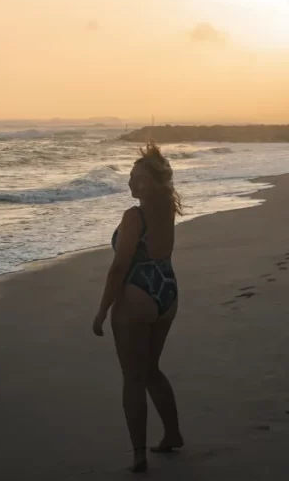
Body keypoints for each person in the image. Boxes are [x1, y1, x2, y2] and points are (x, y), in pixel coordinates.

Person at [92, 142, 184, 473]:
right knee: (151, 369)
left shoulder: (135, 216)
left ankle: (139, 455)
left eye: (138, 178)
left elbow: (119, 268)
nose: (131, 183)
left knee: (133, 377)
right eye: (131, 176)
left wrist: (102, 310)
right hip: (167, 290)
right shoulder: (165, 209)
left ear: (152, 183)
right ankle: (172, 434)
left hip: (138, 293)